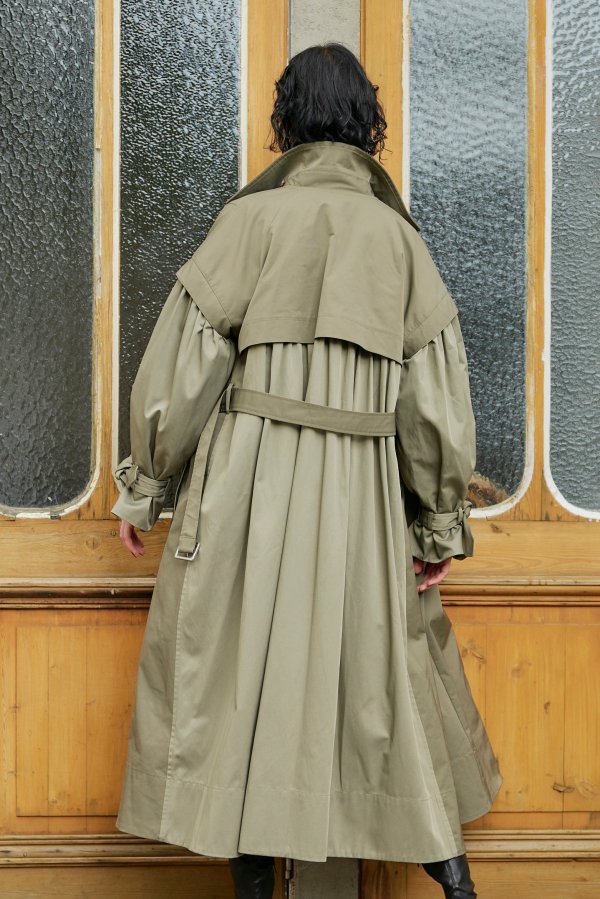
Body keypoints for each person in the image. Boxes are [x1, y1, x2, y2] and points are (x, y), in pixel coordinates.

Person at [112, 42, 502, 899]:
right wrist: (438, 523)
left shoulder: (247, 224)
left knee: (241, 702)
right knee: (394, 695)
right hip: (364, 503)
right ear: (368, 123)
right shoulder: (400, 241)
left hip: (246, 499)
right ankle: (459, 885)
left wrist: (146, 485)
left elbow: (181, 368)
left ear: (285, 120)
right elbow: (436, 406)